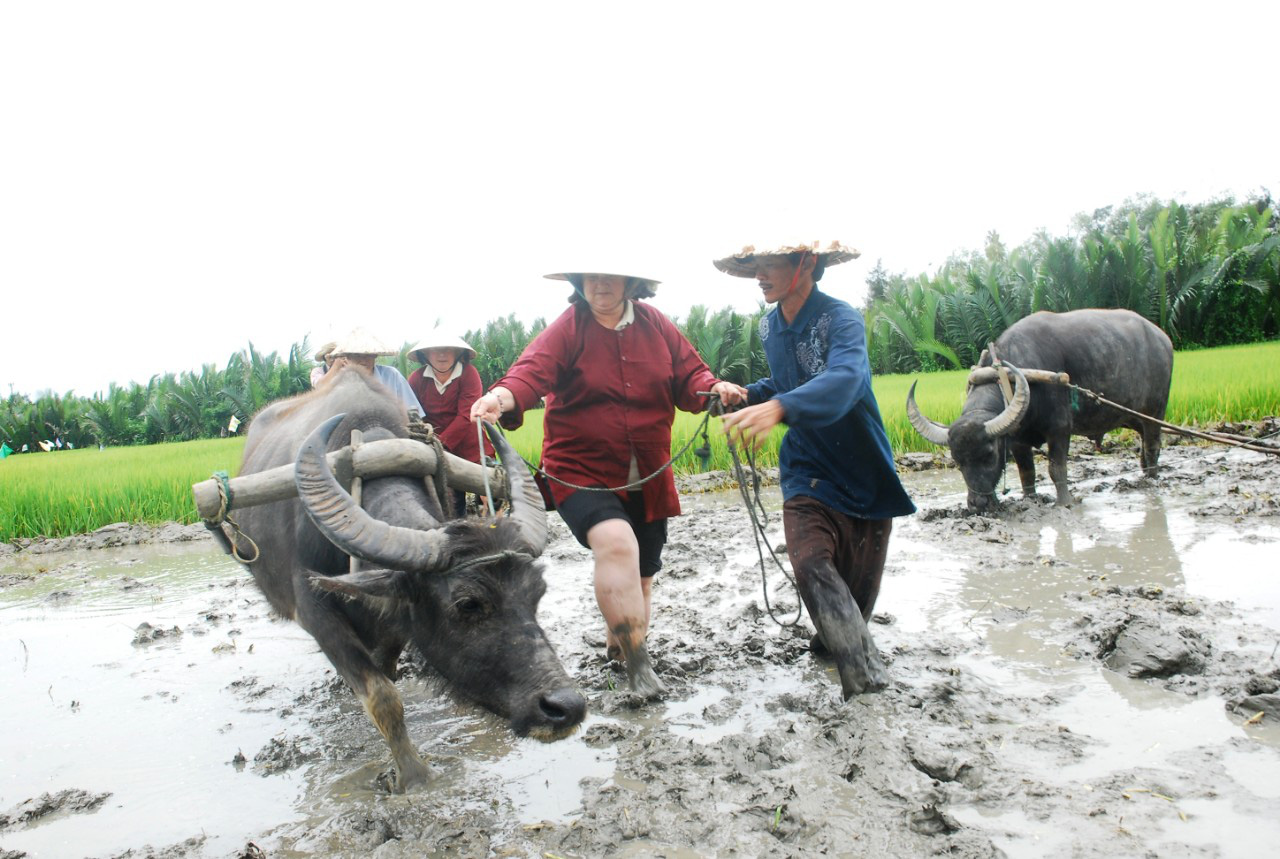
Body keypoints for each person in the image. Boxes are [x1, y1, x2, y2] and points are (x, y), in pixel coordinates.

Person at [469, 267, 744, 697]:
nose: (600, 285)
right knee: (617, 545)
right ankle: (639, 666)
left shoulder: (657, 327)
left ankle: (620, 650)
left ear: (632, 284)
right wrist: (498, 399)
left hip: (647, 473)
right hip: (581, 470)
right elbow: (529, 374)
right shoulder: (568, 328)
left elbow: (692, 377)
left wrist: (715, 389)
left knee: (642, 576)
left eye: (611, 278)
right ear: (578, 283)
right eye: (590, 278)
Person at [714, 239, 916, 700]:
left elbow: (844, 379)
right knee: (809, 563)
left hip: (861, 469)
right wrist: (750, 395)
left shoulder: (841, 319)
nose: (760, 275)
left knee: (854, 605)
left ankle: (833, 646)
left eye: (769, 265)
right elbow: (787, 382)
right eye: (755, 267)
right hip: (807, 469)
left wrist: (780, 406)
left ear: (805, 263)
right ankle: (867, 687)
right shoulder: (769, 327)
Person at [406, 329, 492, 514]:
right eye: (436, 350)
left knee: (489, 498)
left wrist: (440, 445)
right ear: (426, 355)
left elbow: (466, 416)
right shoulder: (417, 379)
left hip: (470, 445)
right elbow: (413, 416)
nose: (442, 355)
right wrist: (431, 447)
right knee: (450, 501)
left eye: (448, 349)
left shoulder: (469, 374)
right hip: (435, 446)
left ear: (458, 353)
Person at [313, 329, 422, 418]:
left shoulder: (392, 375)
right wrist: (336, 365)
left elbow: (413, 411)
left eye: (367, 355)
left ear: (375, 356)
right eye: (356, 355)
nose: (363, 360)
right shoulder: (337, 380)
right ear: (347, 357)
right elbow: (320, 390)